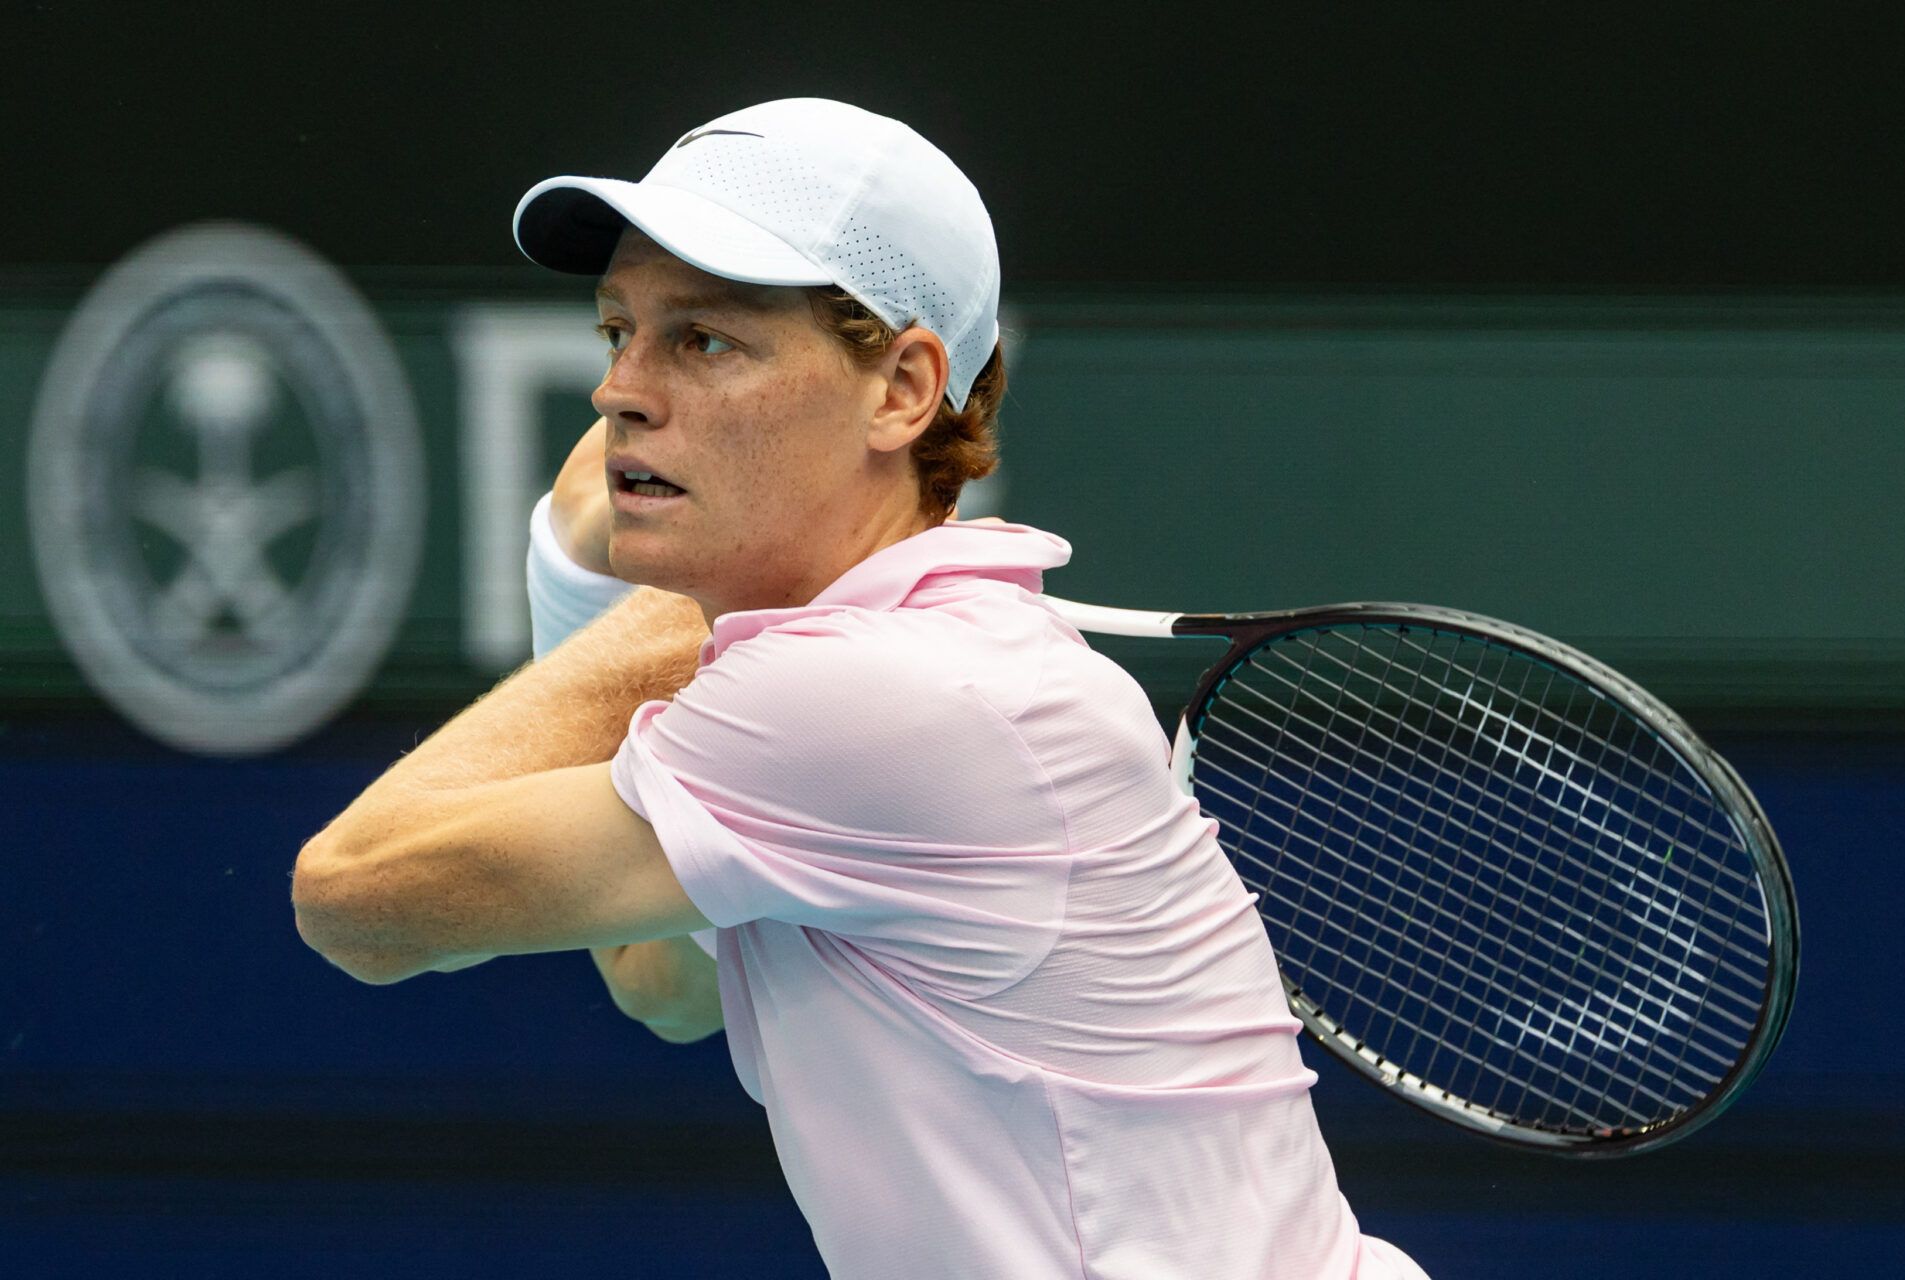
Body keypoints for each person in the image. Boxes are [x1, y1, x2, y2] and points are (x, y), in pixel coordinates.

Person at [292, 97, 1426, 1279]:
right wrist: (607, 590)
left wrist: (649, 609)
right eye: (618, 330)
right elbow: (662, 979)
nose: (619, 388)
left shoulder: (885, 696)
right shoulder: (907, 673)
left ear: (901, 387)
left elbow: (359, 894)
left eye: (706, 340)